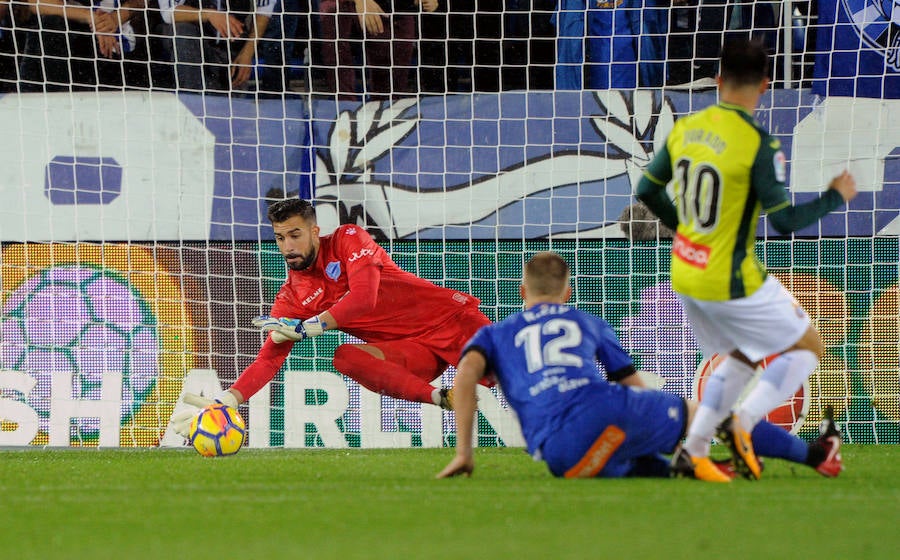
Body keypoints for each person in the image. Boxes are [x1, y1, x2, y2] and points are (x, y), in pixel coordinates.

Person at [635, 38, 856, 480]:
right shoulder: (758, 144)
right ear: (766, 85)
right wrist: (835, 196)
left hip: (685, 270)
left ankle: (693, 451)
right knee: (808, 346)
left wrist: (685, 230)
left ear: (717, 81)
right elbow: (788, 222)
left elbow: (645, 191)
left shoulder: (686, 129)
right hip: (731, 277)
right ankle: (743, 422)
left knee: (741, 356)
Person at [437, 252, 846, 481]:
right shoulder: (584, 321)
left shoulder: (494, 334)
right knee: (704, 414)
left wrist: (465, 452)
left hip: (560, 456)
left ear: (523, 290)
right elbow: (633, 385)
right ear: (569, 291)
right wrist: (680, 417)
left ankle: (682, 465)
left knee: (637, 462)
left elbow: (469, 374)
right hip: (602, 411)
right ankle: (815, 456)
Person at [172, 198, 492, 437]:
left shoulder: (347, 239)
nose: (288, 246)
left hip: (451, 320)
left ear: (315, 231)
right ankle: (443, 397)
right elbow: (268, 360)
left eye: (295, 235)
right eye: (280, 238)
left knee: (520, 376)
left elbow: (364, 298)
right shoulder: (291, 298)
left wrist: (310, 326)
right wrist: (227, 399)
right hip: (411, 351)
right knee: (345, 357)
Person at [17, 0, 151, 91]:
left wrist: (115, 19)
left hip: (116, 48)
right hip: (70, 45)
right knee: (48, 26)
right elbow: (35, 3)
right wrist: (90, 17)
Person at [313, 0, 430, 99]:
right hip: (343, 7)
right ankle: (344, 108)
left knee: (391, 85)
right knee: (334, 12)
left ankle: (387, 109)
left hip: (391, 10)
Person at [154, 0, 278, 92]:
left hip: (231, 49)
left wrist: (247, 53)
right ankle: (192, 104)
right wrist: (209, 14)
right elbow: (168, 12)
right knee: (181, 31)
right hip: (194, 48)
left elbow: (265, 9)